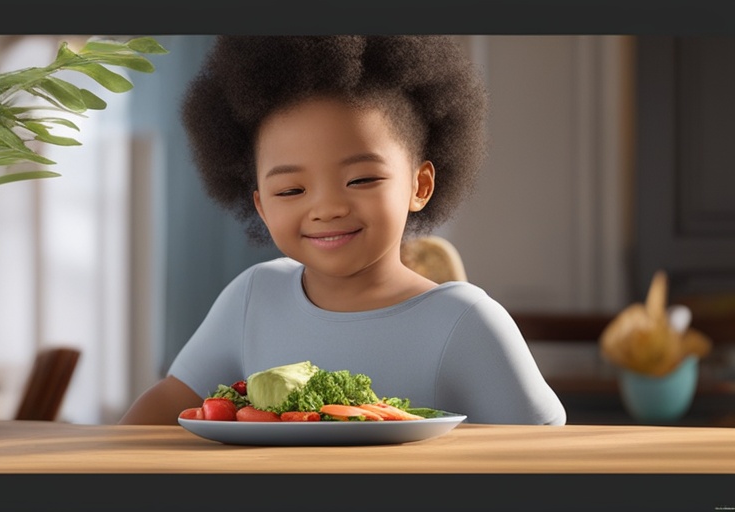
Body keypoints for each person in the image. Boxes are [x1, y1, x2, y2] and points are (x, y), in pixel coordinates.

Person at [119, 36, 567, 426]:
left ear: (420, 185)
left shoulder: (466, 321)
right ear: (260, 204)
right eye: (292, 189)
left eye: (362, 180)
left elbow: (539, 447)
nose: (328, 208)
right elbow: (169, 403)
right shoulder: (253, 297)